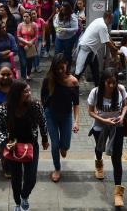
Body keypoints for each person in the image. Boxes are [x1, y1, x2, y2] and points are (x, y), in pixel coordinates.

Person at [0, 81, 49, 211]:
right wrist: (5, 143)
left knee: (31, 178)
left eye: (29, 90)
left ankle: (24, 196)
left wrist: (44, 138)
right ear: (16, 93)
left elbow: (43, 122)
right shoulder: (3, 109)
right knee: (16, 178)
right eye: (25, 91)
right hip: (13, 147)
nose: (29, 94)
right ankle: (18, 203)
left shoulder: (35, 106)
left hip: (31, 145)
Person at [87, 68, 127, 207]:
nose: (111, 86)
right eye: (108, 82)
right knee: (100, 149)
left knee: (116, 158)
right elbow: (90, 112)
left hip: (117, 127)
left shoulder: (121, 90)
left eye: (114, 83)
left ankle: (118, 193)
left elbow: (125, 106)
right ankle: (99, 163)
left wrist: (121, 117)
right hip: (100, 126)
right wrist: (104, 121)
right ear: (103, 81)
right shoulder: (96, 92)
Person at [40, 54, 80, 182]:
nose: (60, 71)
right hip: (51, 115)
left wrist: (76, 122)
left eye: (62, 68)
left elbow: (76, 104)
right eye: (57, 69)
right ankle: (57, 168)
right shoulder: (48, 79)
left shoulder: (73, 81)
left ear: (66, 65)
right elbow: (43, 98)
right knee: (55, 144)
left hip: (66, 116)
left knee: (65, 146)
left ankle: (64, 148)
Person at [74, 11, 119, 86]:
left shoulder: (99, 20)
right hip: (87, 50)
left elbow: (107, 36)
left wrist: (113, 44)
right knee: (79, 72)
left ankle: (98, 88)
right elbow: (106, 42)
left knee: (95, 71)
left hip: (91, 50)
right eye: (112, 19)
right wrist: (114, 49)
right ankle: (72, 87)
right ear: (108, 18)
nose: (112, 21)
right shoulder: (102, 26)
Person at [16, 11, 38, 83]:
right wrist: (26, 42)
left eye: (27, 16)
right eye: (24, 16)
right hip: (22, 46)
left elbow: (36, 36)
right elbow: (18, 36)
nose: (25, 18)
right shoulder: (20, 25)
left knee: (29, 62)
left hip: (31, 46)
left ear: (30, 17)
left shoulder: (34, 25)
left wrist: (30, 42)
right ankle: (23, 77)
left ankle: (28, 74)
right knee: (23, 62)